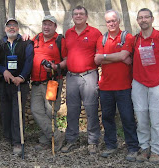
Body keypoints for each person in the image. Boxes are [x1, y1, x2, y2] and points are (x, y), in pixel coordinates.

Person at [94, 10, 139, 161]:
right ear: (105, 23)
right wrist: (118, 57)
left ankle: (133, 147)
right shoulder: (102, 39)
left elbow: (124, 55)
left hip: (124, 86)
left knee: (127, 117)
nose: (111, 24)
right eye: (108, 21)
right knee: (107, 117)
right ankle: (111, 145)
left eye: (113, 20)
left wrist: (105, 57)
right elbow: (97, 60)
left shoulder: (128, 37)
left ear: (118, 21)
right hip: (106, 87)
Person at [132, 8, 159, 163]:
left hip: (157, 83)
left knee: (156, 118)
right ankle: (144, 148)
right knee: (141, 117)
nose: (143, 20)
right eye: (140, 18)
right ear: (137, 20)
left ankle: (156, 150)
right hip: (138, 82)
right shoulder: (135, 39)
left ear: (152, 19)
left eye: (146, 17)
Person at [61, 5, 101, 154]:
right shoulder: (68, 33)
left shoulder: (95, 33)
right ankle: (71, 139)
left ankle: (93, 141)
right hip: (71, 76)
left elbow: (100, 54)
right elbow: (66, 56)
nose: (78, 16)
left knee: (91, 108)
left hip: (89, 75)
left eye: (81, 14)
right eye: (76, 14)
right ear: (72, 17)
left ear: (86, 16)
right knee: (72, 110)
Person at [0, 18, 34, 155]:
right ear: (5, 29)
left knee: (17, 112)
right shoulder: (0, 44)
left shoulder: (26, 43)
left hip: (20, 84)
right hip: (4, 84)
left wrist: (21, 77)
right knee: (6, 110)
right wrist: (4, 71)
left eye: (14, 26)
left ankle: (17, 141)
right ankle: (7, 137)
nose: (11, 28)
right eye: (9, 26)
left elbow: (29, 62)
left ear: (18, 29)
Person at [30, 15, 67, 152]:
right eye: (44, 24)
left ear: (55, 26)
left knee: (50, 111)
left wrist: (56, 66)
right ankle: (57, 136)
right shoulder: (36, 38)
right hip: (36, 82)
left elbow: (66, 60)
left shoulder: (59, 40)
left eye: (49, 24)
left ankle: (46, 140)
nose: (46, 27)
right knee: (36, 110)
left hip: (52, 81)